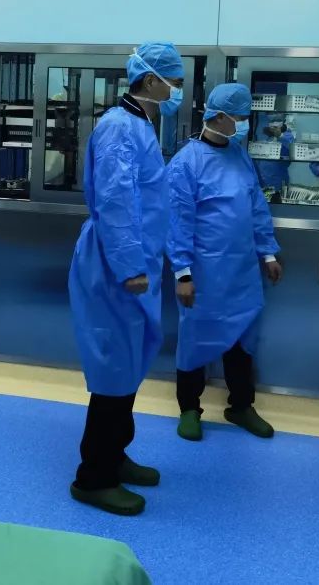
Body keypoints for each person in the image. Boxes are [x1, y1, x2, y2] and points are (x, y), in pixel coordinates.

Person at [68, 41, 185, 517]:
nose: (177, 89)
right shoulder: (119, 127)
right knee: (114, 368)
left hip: (133, 261)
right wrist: (130, 266)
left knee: (130, 364)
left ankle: (115, 456)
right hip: (115, 265)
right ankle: (93, 478)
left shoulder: (140, 124)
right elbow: (116, 201)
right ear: (150, 79)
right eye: (174, 80)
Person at [166, 83, 283, 442]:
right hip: (203, 271)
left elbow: (256, 207)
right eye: (240, 117)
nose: (245, 123)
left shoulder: (239, 156)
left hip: (242, 271)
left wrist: (267, 253)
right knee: (196, 337)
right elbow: (177, 222)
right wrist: (182, 273)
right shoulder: (186, 163)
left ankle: (241, 406)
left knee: (242, 340)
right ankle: (189, 408)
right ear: (218, 117)